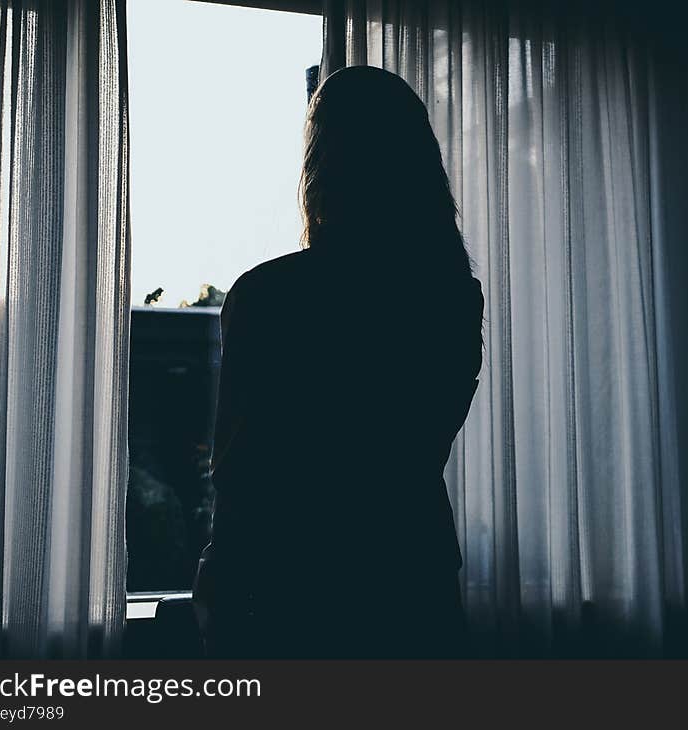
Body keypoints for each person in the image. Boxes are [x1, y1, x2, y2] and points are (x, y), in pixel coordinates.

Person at [192, 65, 484, 658]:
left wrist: (220, 583)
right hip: (411, 579)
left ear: (321, 162)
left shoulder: (268, 296)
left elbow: (244, 472)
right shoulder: (453, 297)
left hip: (291, 591)